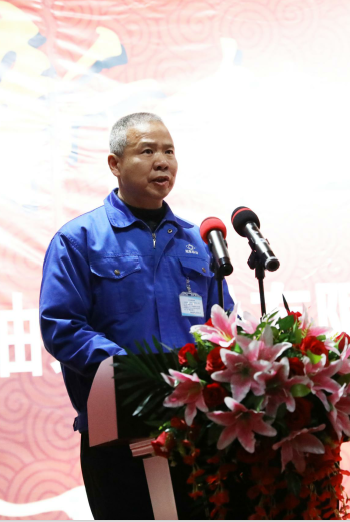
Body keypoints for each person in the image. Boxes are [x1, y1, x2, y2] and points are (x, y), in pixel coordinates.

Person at [39, 112, 234, 520]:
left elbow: (224, 323)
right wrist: (135, 373)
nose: (162, 161)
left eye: (169, 152)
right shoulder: (79, 239)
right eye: (147, 151)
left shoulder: (198, 241)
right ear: (115, 164)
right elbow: (62, 326)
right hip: (117, 431)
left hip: (197, 428)